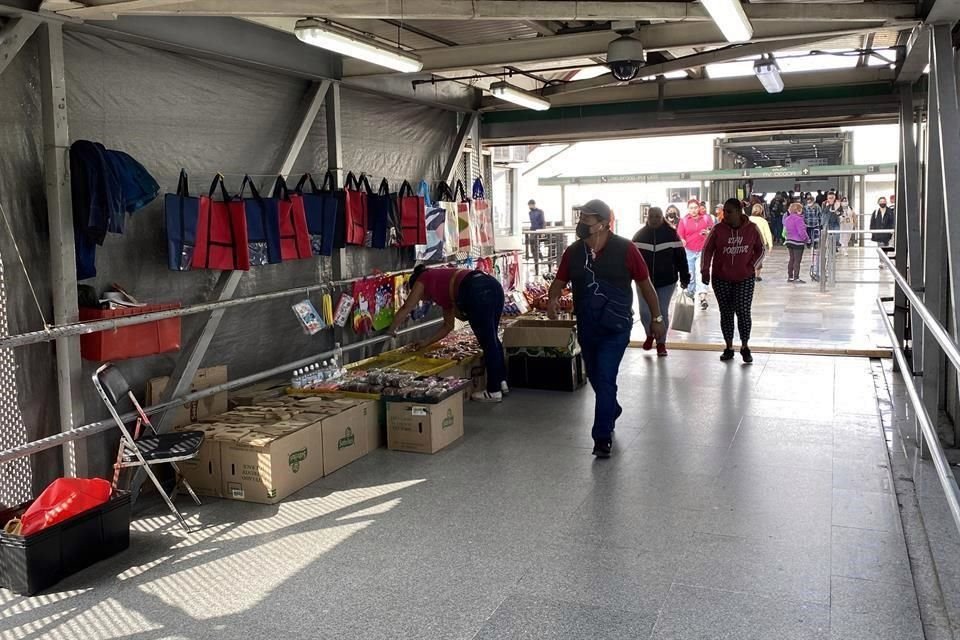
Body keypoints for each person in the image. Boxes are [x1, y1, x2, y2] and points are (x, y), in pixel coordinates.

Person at [548, 199, 664, 458]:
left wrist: (656, 318)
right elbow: (560, 280)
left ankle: (601, 437)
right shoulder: (574, 252)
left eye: (587, 219)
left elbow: (645, 285)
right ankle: (611, 408)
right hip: (587, 326)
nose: (581, 223)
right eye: (581, 217)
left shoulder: (626, 249)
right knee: (595, 376)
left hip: (617, 326)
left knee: (606, 376)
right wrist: (553, 299)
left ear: (602, 223)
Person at [388, 265, 507, 403]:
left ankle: (494, 391)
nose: (423, 300)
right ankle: (501, 381)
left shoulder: (422, 279)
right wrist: (426, 342)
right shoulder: (441, 285)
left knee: (488, 342)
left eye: (420, 296)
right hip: (492, 285)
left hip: (476, 290)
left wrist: (391, 330)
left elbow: (407, 307)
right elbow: (448, 326)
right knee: (492, 339)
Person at [701, 199, 766, 364]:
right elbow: (707, 250)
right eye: (725, 211)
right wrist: (705, 270)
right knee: (726, 313)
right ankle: (729, 347)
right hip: (721, 278)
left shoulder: (751, 229)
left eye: (730, 211)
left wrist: (752, 266)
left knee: (743, 312)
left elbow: (761, 249)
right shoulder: (718, 230)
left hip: (744, 278)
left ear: (739, 212)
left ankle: (745, 346)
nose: (726, 215)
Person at [632, 207, 690, 357]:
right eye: (652, 216)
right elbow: (631, 260)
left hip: (667, 281)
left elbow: (681, 258)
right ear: (647, 217)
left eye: (657, 216)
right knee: (645, 312)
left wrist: (685, 277)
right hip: (643, 282)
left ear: (662, 217)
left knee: (661, 312)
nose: (654, 219)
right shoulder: (639, 236)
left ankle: (661, 343)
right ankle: (650, 334)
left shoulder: (672, 235)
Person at [677, 198, 715, 310]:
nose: (693, 210)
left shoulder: (706, 218)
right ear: (688, 209)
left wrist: (708, 233)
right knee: (691, 274)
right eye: (691, 208)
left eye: (695, 207)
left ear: (699, 208)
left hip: (702, 250)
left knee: (701, 272)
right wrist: (682, 240)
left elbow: (714, 231)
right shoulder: (683, 221)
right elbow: (679, 235)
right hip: (689, 250)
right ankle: (690, 294)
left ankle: (702, 296)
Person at [784, 202, 811, 283]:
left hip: (789, 241)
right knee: (797, 260)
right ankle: (796, 277)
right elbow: (801, 232)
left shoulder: (787, 218)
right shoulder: (799, 219)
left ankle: (790, 277)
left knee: (791, 259)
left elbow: (785, 231)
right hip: (798, 242)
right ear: (798, 210)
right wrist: (807, 240)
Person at [748, 203, 773, 282]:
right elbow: (768, 233)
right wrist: (770, 245)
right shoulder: (763, 221)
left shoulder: (747, 219)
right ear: (761, 211)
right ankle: (757, 276)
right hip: (760, 243)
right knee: (759, 259)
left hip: (749, 243)